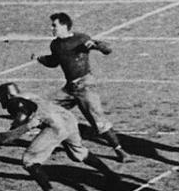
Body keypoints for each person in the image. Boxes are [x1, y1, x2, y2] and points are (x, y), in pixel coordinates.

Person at [0, 83, 120, 191]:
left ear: (7, 96)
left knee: (29, 160)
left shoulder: (15, 103)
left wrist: (6, 136)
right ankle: (110, 174)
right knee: (78, 153)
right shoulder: (28, 95)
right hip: (68, 118)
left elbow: (22, 122)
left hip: (55, 125)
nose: (0, 100)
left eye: (1, 97)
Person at [35, 12, 128, 162]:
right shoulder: (55, 44)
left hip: (85, 85)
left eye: (54, 25)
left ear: (64, 25)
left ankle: (120, 151)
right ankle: (63, 140)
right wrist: (41, 59)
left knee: (98, 120)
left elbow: (107, 49)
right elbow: (54, 61)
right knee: (45, 109)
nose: (52, 28)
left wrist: (97, 45)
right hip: (69, 88)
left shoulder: (80, 39)